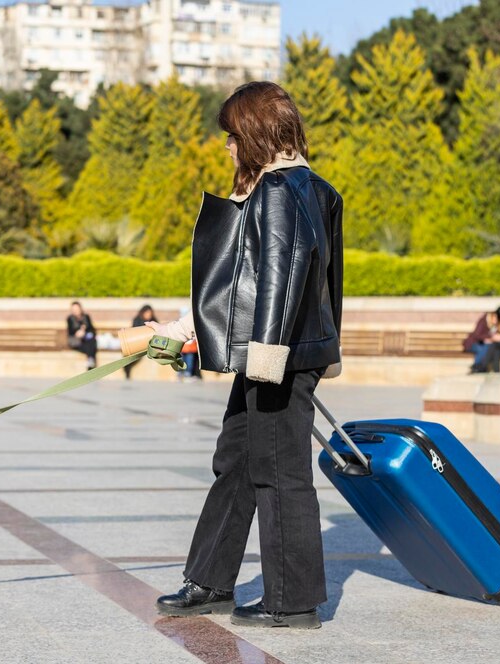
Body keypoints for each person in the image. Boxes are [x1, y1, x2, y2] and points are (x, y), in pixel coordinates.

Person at [146, 81, 343, 630]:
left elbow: (280, 272)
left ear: (254, 132)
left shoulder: (280, 189)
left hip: (273, 355)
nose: (228, 147)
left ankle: (292, 599)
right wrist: (181, 329)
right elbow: (318, 284)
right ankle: (209, 580)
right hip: (274, 352)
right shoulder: (315, 188)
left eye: (233, 136)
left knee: (280, 474)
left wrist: (268, 354)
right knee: (236, 462)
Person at [125, 305, 158, 379]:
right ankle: (127, 370)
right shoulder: (137, 320)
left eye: (150, 313)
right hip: (137, 343)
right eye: (147, 313)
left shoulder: (153, 321)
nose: (148, 315)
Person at [66, 302, 98, 371]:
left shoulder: (86, 317)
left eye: (76, 308)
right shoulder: (70, 319)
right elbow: (71, 331)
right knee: (91, 347)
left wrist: (84, 331)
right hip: (76, 341)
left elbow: (92, 329)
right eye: (73, 309)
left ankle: (90, 362)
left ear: (80, 308)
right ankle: (90, 361)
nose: (75, 310)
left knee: (91, 341)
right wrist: (77, 333)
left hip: (87, 340)